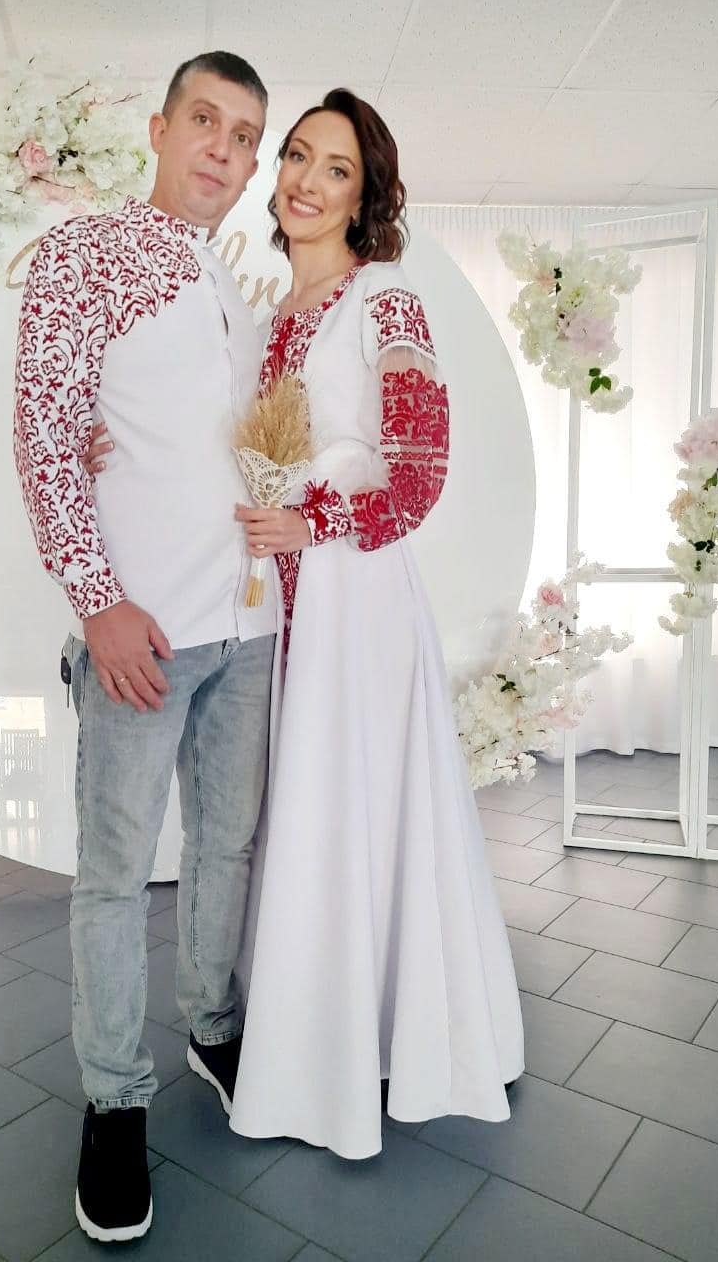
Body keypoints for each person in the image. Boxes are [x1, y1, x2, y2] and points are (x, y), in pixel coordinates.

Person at [226, 90, 525, 1158]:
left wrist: (315, 521)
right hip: (287, 599)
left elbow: (420, 473)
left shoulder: (385, 298)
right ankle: (314, 1036)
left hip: (357, 601)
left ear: (366, 197)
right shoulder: (268, 318)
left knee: (358, 798)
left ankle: (390, 1033)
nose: (306, 181)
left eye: (337, 168)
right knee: (305, 805)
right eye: (297, 156)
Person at [13, 51, 275, 1243]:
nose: (224, 146)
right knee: (116, 874)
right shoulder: (86, 253)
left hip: (247, 626)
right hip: (143, 631)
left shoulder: (233, 284)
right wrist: (97, 599)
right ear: (161, 130)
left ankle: (212, 1027)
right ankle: (116, 1100)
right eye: (205, 120)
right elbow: (45, 432)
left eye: (246, 134)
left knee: (226, 841)